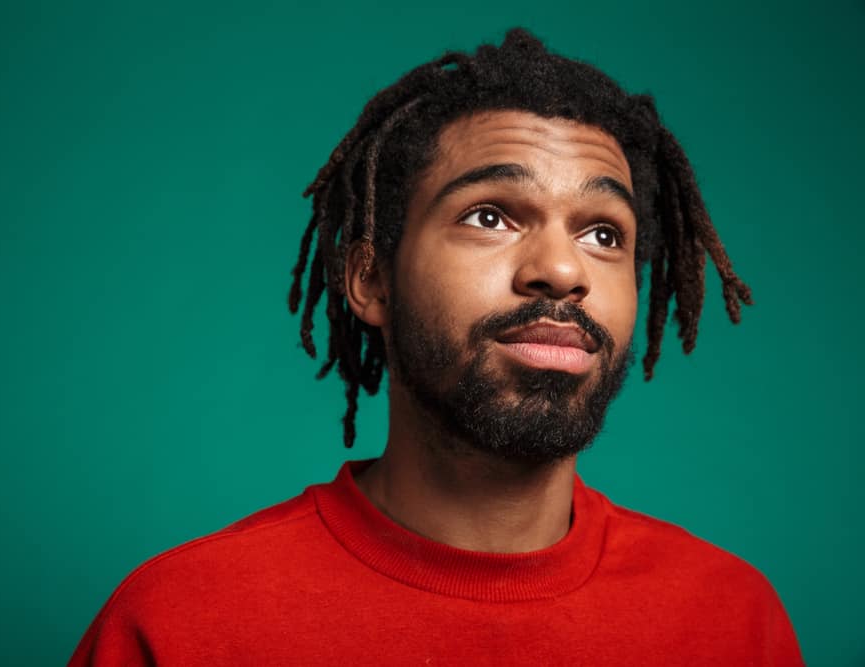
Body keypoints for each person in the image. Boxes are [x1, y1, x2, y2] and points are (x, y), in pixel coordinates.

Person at [69, 28, 803, 665]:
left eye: (603, 233)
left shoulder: (732, 619)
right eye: (490, 216)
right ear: (370, 280)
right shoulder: (179, 623)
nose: (563, 269)